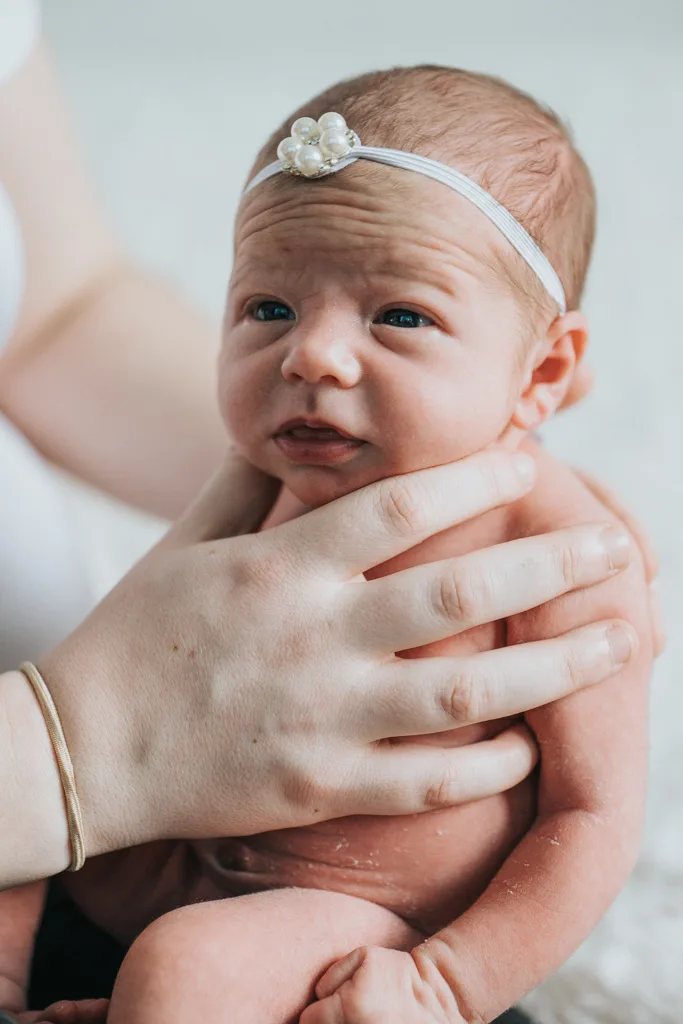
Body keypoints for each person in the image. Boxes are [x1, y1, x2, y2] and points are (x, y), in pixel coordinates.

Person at [0, 7, 662, 1023]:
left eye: (399, 315)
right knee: (24, 855)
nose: (309, 356)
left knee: (187, 970)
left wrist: (447, 982)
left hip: (357, 911)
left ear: (543, 372)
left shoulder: (556, 552)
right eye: (265, 308)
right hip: (161, 839)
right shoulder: (259, 484)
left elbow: (593, 814)